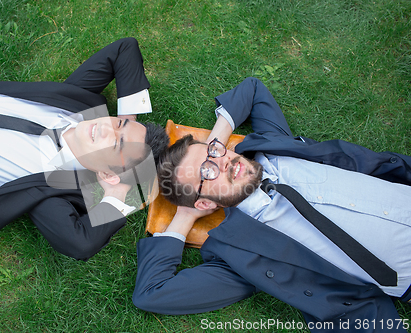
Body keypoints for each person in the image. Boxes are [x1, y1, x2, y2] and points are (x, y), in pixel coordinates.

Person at [132, 77, 411, 332]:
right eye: (207, 171)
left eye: (213, 152)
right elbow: (151, 292)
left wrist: (214, 140)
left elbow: (252, 89)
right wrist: (185, 215)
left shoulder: (272, 146)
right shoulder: (242, 256)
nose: (222, 161)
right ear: (204, 201)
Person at [0, 38, 169, 261]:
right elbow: (125, 48)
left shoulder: (49, 188)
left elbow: (80, 243)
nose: (106, 128)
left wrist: (117, 195)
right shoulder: (77, 102)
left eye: (117, 143)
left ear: (108, 174)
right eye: (118, 125)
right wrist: (129, 120)